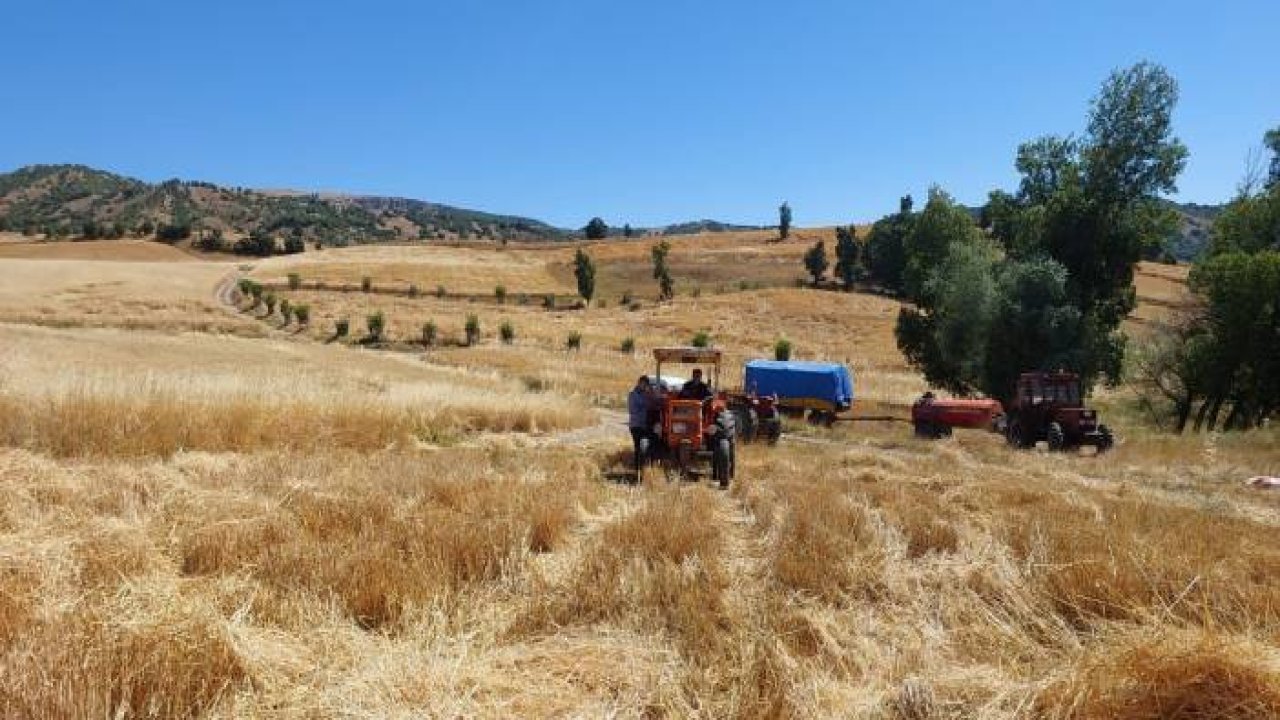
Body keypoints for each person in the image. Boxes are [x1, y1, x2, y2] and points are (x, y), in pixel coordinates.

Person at [628, 375, 654, 474]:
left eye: (646, 384)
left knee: (646, 447)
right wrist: (645, 403)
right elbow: (632, 410)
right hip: (636, 425)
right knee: (639, 447)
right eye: (643, 384)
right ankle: (638, 468)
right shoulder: (633, 394)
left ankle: (645, 468)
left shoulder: (646, 394)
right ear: (639, 383)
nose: (644, 386)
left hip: (645, 425)